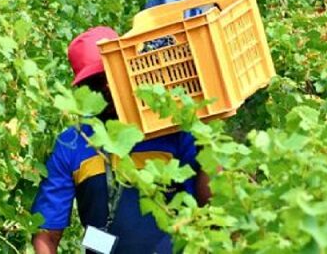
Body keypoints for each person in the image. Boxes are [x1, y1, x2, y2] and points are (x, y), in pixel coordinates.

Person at [31, 26, 210, 254]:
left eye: (112, 75)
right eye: (97, 81)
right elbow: (46, 235)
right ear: (83, 89)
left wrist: (208, 138)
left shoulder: (169, 128)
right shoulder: (72, 143)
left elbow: (211, 204)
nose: (107, 88)